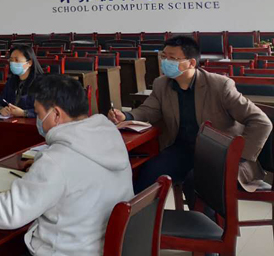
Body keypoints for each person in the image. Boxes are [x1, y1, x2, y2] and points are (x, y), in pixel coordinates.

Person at [0, 75, 133, 256]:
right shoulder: (109, 136)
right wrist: (41, 169)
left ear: (56, 114)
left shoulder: (57, 161)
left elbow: (11, 212)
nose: (38, 120)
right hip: (101, 246)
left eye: (39, 113)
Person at [109, 35, 272, 196]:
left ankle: (205, 215)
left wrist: (238, 156)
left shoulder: (219, 86)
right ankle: (141, 213)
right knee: (149, 173)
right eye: (164, 57)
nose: (165, 62)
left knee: (198, 184)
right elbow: (149, 110)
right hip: (182, 150)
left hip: (218, 154)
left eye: (172, 58)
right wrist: (126, 116)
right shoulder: (162, 84)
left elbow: (261, 122)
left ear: (191, 63)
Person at [0, 45, 43, 118]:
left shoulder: (41, 83)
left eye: (16, 60)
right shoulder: (11, 81)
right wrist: (1, 109)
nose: (13, 63)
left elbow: (47, 111)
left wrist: (24, 113)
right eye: (11, 60)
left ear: (29, 63)